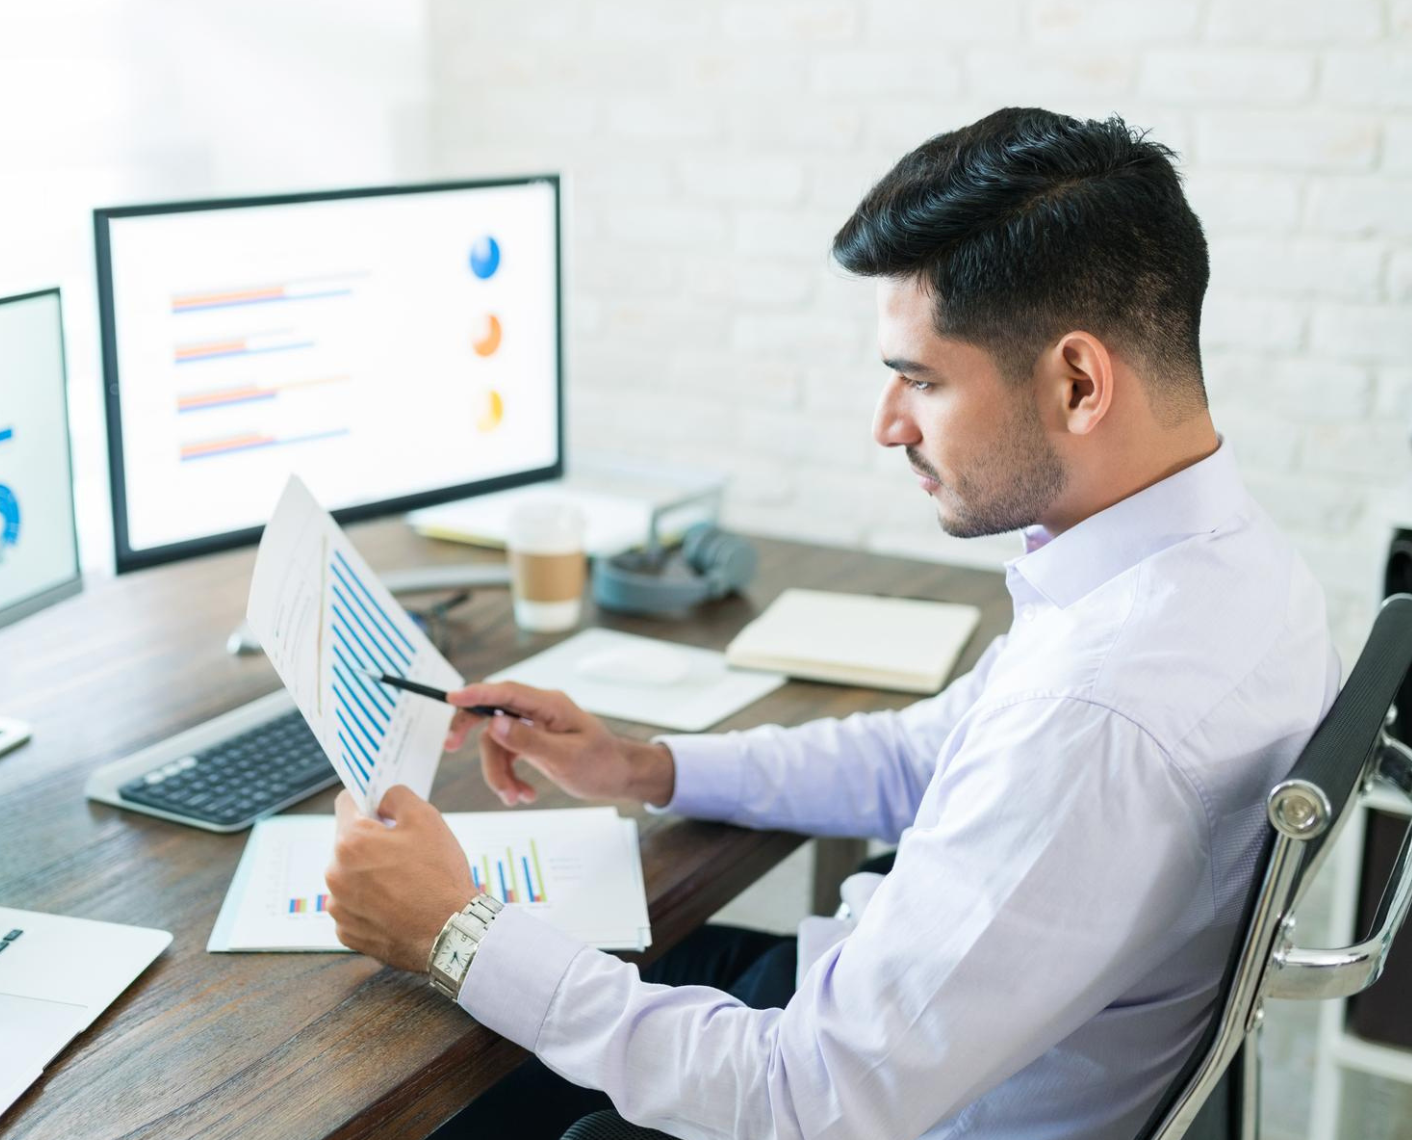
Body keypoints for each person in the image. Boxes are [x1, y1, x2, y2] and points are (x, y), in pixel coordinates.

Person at [322, 106, 1340, 1139]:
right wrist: (643, 768)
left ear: (1076, 382)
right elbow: (923, 760)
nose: (886, 424)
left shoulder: (1098, 707)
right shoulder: (1217, 566)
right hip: (890, 1033)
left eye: (920, 381)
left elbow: (801, 1100)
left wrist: (454, 932)